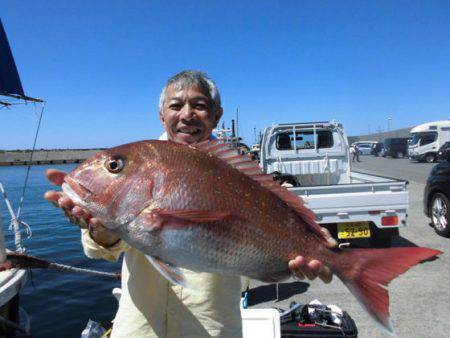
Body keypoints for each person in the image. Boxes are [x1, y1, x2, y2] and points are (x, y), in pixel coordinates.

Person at [44, 70, 336, 338]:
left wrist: (304, 249)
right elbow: (98, 249)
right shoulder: (144, 161)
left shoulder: (237, 172)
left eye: (199, 105)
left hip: (212, 328)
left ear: (217, 115)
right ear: (161, 116)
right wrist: (101, 229)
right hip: (140, 330)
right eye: (175, 106)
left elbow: (249, 264)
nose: (187, 115)